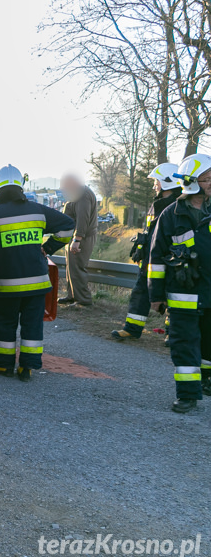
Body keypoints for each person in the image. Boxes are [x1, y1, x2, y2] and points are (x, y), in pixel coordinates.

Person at [0, 164, 75, 381]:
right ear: (21, 186)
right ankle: (28, 368)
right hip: (37, 283)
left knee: (5, 323)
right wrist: (48, 248)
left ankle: (3, 364)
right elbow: (68, 227)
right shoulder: (38, 210)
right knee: (32, 325)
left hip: (7, 284)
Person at [149, 153, 211, 413]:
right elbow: (156, 258)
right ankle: (187, 394)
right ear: (192, 182)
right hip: (182, 293)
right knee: (184, 343)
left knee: (208, 341)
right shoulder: (170, 216)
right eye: (207, 179)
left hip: (209, 293)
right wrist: (155, 295)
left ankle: (205, 380)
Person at [111, 163, 181, 341]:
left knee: (172, 297)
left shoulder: (177, 207)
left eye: (156, 181)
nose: (154, 185)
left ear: (167, 182)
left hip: (168, 260)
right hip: (149, 259)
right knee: (140, 291)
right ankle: (132, 328)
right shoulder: (157, 204)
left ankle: (172, 334)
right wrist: (140, 248)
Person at [59, 173, 98, 307]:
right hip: (74, 236)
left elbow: (83, 218)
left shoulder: (83, 195)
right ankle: (72, 296)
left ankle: (83, 301)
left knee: (77, 268)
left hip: (81, 238)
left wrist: (77, 239)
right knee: (71, 268)